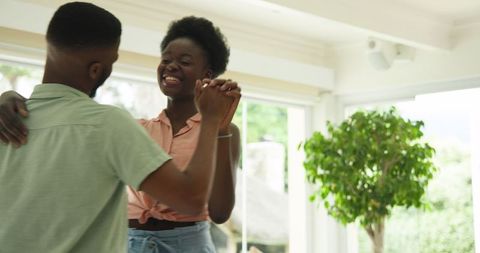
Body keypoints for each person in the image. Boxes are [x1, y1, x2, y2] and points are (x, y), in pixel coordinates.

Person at [0, 2, 239, 253]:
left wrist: (215, 124)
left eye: (185, 60)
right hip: (132, 240)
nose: (171, 65)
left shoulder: (221, 129)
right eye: (166, 59)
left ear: (208, 74)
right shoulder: (128, 127)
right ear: (97, 69)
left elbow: (219, 211)